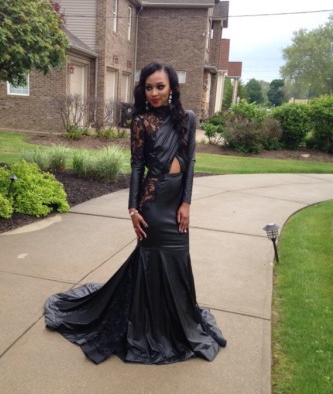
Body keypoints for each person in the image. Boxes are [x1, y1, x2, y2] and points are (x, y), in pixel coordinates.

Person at [44, 61, 226, 364]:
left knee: (178, 261)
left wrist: (187, 203)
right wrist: (132, 208)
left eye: (160, 86)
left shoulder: (188, 119)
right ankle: (146, 326)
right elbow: (137, 167)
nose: (154, 92)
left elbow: (191, 163)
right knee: (150, 262)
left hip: (176, 203)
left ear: (171, 89)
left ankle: (175, 323)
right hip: (152, 204)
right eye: (149, 87)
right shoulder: (141, 121)